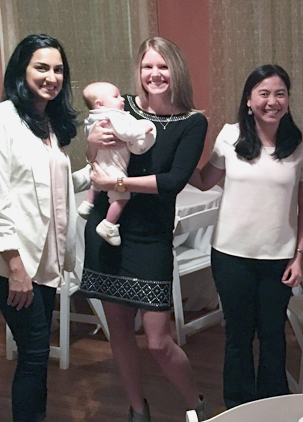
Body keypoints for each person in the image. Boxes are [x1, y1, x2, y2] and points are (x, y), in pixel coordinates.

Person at [79, 37, 208, 422]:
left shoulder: (192, 122)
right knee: (118, 333)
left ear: (176, 71)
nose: (155, 74)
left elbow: (172, 181)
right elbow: (95, 160)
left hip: (149, 238)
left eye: (163, 66)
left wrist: (120, 186)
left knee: (157, 342)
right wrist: (89, 146)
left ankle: (197, 407)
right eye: (148, 67)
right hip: (107, 231)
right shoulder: (121, 107)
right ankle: (137, 409)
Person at [0, 34, 80, 422]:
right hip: (10, 261)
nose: (51, 76)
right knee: (32, 351)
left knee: (37, 350)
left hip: (43, 258)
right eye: (41, 67)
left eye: (58, 69)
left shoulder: (46, 122)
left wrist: (95, 175)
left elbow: (51, 188)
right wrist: (16, 267)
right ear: (21, 70)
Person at [189, 64, 303, 408]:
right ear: (249, 100)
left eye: (279, 93)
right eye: (263, 93)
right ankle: (239, 407)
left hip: (279, 258)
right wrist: (170, 157)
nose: (271, 101)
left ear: (288, 100)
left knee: (274, 336)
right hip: (231, 256)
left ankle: (274, 407)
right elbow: (204, 180)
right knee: (238, 336)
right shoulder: (230, 136)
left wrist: (300, 254)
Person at [77, 82, 156, 246]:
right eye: (116, 96)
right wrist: (143, 129)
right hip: (114, 167)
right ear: (100, 104)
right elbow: (126, 133)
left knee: (96, 183)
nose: (122, 99)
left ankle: (87, 203)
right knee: (121, 196)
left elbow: (89, 138)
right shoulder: (113, 116)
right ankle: (109, 225)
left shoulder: (92, 118)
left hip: (100, 163)